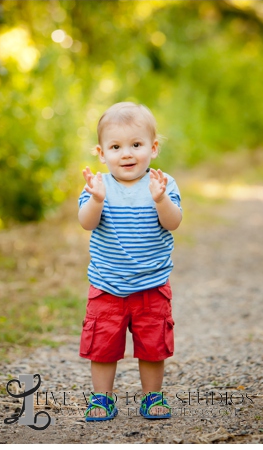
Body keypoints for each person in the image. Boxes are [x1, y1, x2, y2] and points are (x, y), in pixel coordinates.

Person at [78, 102, 182, 421]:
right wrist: (95, 201)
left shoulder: (162, 184)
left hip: (151, 286)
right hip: (107, 285)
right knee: (103, 347)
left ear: (152, 148)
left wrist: (161, 199)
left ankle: (152, 397)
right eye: (116, 147)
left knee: (152, 346)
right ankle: (102, 398)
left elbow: (174, 222)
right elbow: (86, 223)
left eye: (136, 145)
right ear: (101, 152)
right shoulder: (99, 186)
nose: (126, 154)